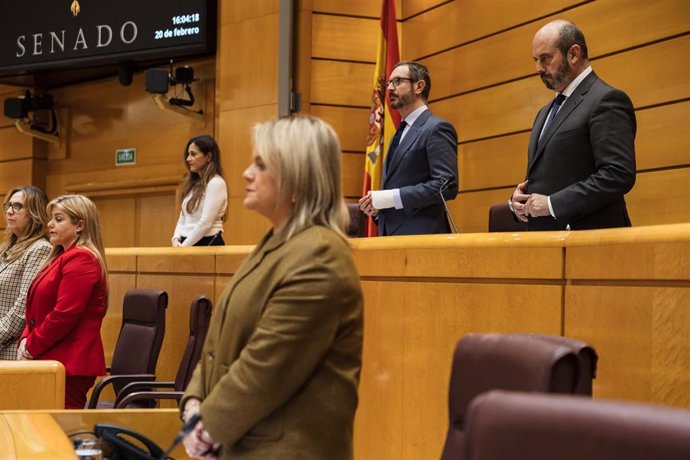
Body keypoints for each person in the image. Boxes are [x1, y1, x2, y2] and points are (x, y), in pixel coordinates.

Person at [180, 116, 364, 459]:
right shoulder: (277, 242)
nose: (247, 173)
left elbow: (266, 366)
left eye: (261, 165)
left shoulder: (319, 255)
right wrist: (193, 404)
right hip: (244, 443)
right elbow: (217, 342)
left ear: (297, 178)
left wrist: (208, 426)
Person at [510, 20, 636, 230]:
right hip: (547, 243)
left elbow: (617, 174)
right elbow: (546, 177)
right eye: (536, 60)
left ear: (574, 54)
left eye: (545, 58)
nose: (538, 68)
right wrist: (519, 201)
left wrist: (552, 204)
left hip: (592, 242)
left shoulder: (606, 99)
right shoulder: (545, 112)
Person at [18, 195, 108, 409]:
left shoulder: (82, 259)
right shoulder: (60, 257)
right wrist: (24, 340)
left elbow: (64, 314)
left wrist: (30, 346)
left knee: (60, 433)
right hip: (51, 358)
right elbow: (34, 311)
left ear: (80, 225)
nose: (50, 224)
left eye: (58, 219)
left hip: (69, 364)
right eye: (51, 219)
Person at [359, 60, 458, 236]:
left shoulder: (436, 128)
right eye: (389, 83)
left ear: (419, 86)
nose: (389, 88)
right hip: (391, 239)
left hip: (422, 240)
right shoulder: (399, 134)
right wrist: (379, 208)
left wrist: (389, 198)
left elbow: (445, 185)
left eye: (397, 81)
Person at [0, 186, 51, 360]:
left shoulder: (40, 249)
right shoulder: (6, 247)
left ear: (34, 214)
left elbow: (24, 306)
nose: (9, 211)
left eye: (17, 206)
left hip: (10, 348)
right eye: (8, 205)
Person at [172, 135, 228, 246]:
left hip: (206, 242)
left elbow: (206, 222)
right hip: (186, 242)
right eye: (188, 154)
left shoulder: (216, 183)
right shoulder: (192, 184)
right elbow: (183, 217)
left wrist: (184, 247)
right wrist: (176, 238)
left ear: (208, 157)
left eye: (193, 154)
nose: (188, 159)